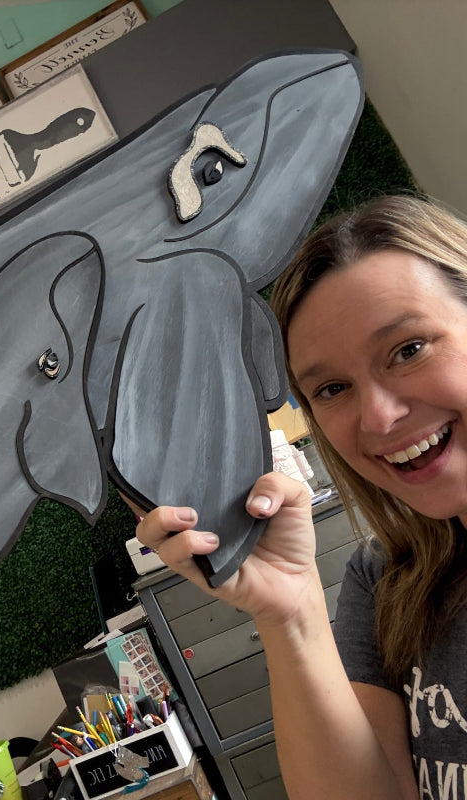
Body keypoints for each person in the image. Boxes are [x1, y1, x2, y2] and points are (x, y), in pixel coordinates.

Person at [136, 194, 467, 800]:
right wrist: (288, 613)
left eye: (409, 349)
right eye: (333, 387)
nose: (380, 417)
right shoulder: (389, 583)